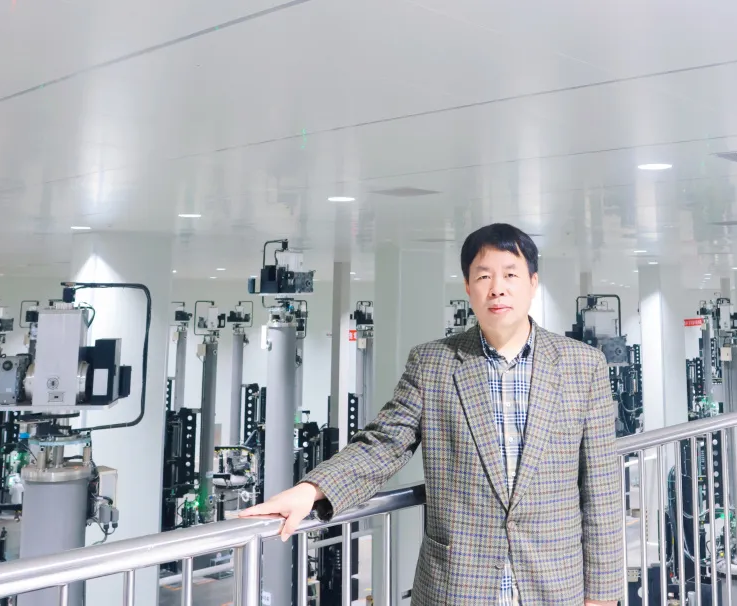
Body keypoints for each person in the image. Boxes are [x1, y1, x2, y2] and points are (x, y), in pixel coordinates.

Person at [240, 223, 623, 605]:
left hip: (554, 585)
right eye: (484, 276)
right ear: (468, 286)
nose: (497, 288)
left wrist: (603, 596)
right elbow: (384, 444)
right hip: (457, 585)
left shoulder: (582, 365)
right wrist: (311, 490)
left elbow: (601, 489)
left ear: (533, 282)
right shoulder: (433, 363)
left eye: (510, 274)